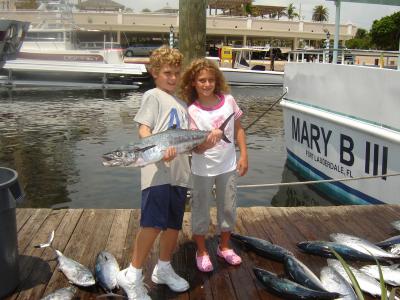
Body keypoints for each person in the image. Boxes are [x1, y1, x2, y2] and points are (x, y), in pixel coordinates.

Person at [116, 46, 193, 300]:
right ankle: (133, 274)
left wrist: (212, 138)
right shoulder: (153, 95)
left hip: (180, 173)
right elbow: (143, 130)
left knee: (172, 225)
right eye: (167, 73)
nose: (172, 77)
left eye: (176, 73)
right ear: (154, 73)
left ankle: (164, 268)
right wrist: (158, 149)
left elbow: (191, 142)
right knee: (152, 223)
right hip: (158, 171)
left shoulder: (182, 104)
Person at [179, 58, 248, 272]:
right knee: (200, 209)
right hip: (202, 169)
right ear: (193, 83)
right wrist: (207, 143)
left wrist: (244, 155)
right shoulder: (191, 111)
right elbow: (194, 148)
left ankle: (224, 247)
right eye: (201, 80)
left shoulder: (228, 101)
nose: (207, 84)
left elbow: (238, 129)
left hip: (228, 166)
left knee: (228, 207)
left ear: (216, 81)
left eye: (210, 80)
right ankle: (201, 251)